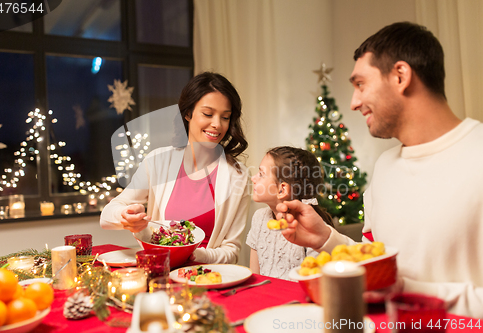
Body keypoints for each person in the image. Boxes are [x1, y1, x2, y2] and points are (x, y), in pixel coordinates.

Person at [279, 22, 483, 318]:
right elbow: (376, 265)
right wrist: (325, 237)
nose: (353, 103)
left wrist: (406, 291)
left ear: (401, 76)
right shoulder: (385, 167)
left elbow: (394, 285)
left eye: (360, 84)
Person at [100, 72, 250, 264]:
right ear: (187, 113)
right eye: (208, 114)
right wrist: (125, 217)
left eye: (225, 117)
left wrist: (197, 255)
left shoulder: (238, 176)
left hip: (206, 280)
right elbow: (106, 216)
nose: (217, 124)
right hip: (161, 276)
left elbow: (231, 251)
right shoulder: (157, 161)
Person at [246, 146, 333, 280]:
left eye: (261, 174)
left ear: (282, 190)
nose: (253, 178)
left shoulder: (310, 227)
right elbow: (255, 277)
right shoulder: (259, 218)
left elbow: (317, 283)